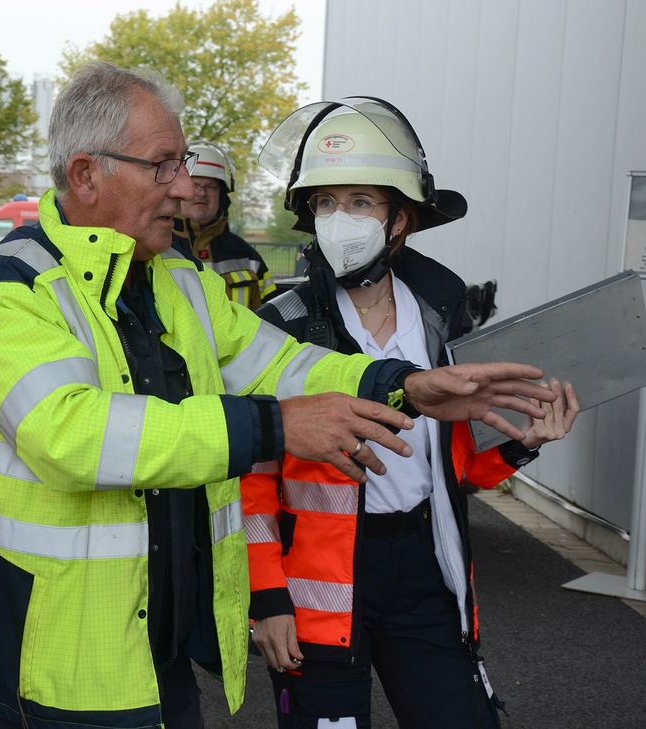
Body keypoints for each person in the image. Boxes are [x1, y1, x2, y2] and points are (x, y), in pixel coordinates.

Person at [0, 63, 554, 729]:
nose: (186, 188)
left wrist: (403, 385)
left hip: (153, 651)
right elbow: (75, 436)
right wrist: (277, 430)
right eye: (164, 165)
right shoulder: (7, 287)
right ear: (88, 175)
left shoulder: (178, 279)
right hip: (47, 666)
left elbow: (282, 365)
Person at [244, 97, 581, 729]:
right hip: (319, 587)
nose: (339, 220)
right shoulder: (281, 326)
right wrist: (265, 598)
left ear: (401, 220)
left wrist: (520, 444)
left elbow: (453, 473)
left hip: (424, 571)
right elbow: (250, 476)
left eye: (361, 202)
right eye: (324, 203)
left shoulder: (439, 308)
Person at [173, 140, 276, 309]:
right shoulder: (156, 249)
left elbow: (273, 319)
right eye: (195, 184)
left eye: (211, 186)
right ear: (178, 189)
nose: (202, 193)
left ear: (222, 195)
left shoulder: (248, 258)